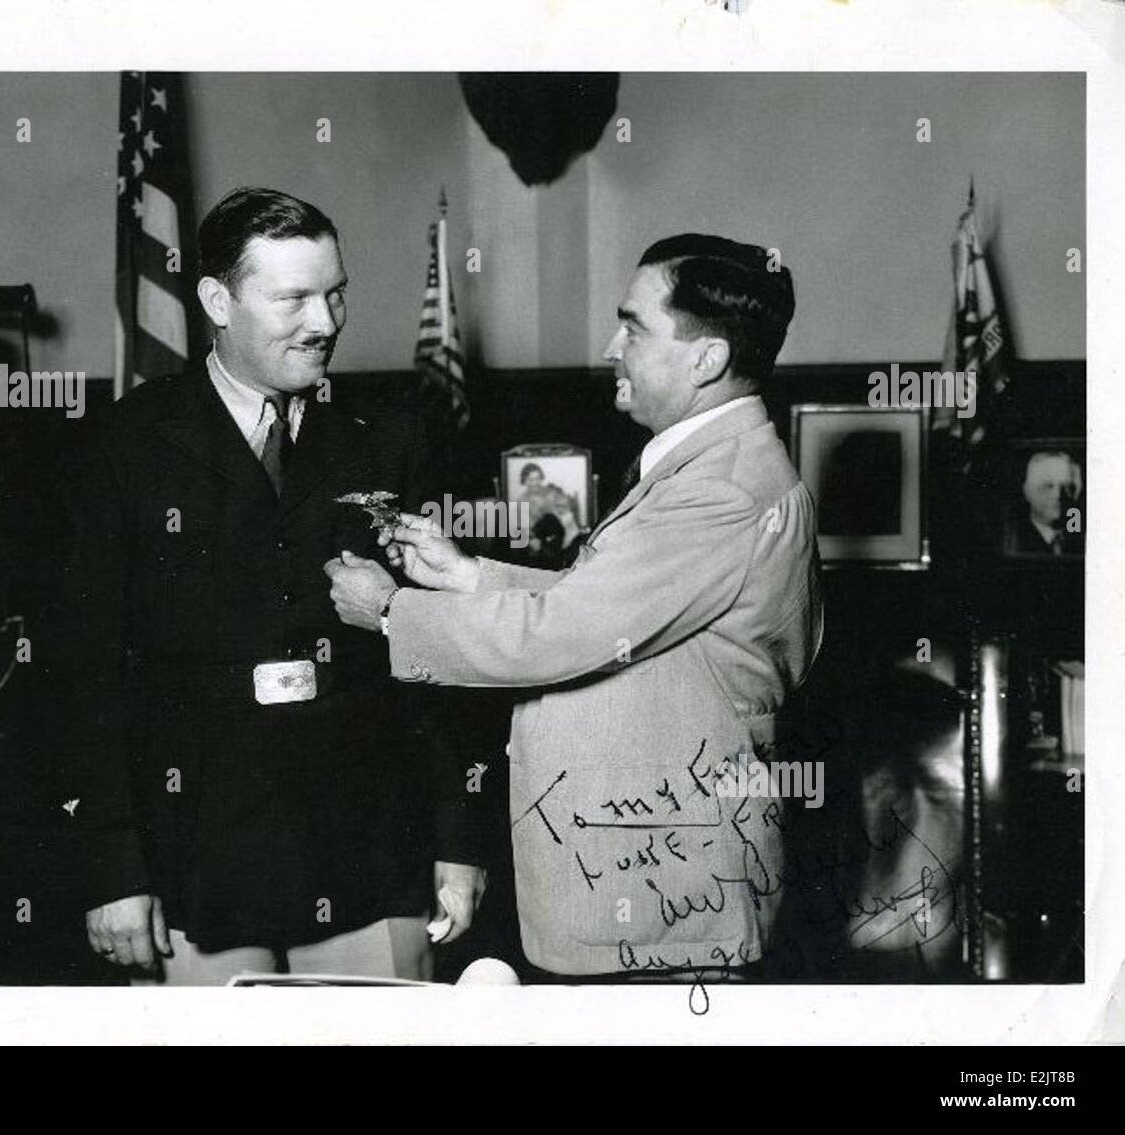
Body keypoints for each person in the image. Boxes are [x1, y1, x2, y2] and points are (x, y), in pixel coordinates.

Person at [326, 233, 823, 977]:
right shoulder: (713, 465)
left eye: (633, 325)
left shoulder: (716, 489)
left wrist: (395, 612)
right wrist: (468, 576)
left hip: (662, 904)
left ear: (706, 359)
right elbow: (609, 612)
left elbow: (560, 634)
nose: (609, 345)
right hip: (650, 892)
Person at [43, 188, 485, 984]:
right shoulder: (123, 446)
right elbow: (85, 674)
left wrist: (457, 833)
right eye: (294, 299)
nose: (326, 321)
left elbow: (433, 658)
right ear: (217, 300)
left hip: (373, 848)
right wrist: (114, 864)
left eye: (336, 291)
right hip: (195, 858)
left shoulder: (391, 436)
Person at [1008, 449, 1084, 556]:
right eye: (1048, 486)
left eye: (1067, 487)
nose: (1058, 495)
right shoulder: (1013, 542)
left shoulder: (1078, 538)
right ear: (1028, 491)